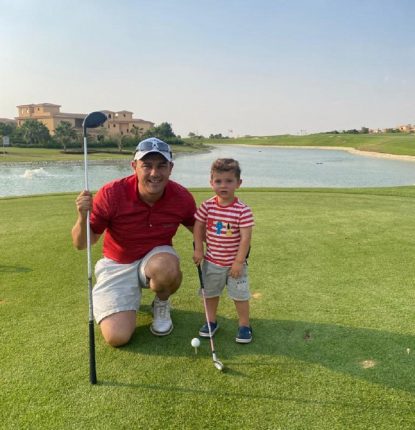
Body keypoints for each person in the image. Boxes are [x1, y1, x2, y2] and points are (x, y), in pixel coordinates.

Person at [72, 137, 196, 347]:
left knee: (166, 267)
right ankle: (127, 300)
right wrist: (81, 216)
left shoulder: (181, 196)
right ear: (134, 167)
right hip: (117, 264)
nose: (154, 173)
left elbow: (200, 230)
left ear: (171, 168)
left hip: (155, 260)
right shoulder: (111, 193)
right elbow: (81, 244)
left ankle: (161, 303)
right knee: (117, 337)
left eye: (161, 166)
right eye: (147, 166)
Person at [193, 158, 254, 343]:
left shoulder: (243, 210)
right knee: (210, 294)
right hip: (212, 262)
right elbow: (198, 226)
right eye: (218, 181)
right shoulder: (207, 205)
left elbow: (245, 238)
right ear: (211, 183)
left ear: (238, 183)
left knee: (240, 296)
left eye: (229, 181)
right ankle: (211, 322)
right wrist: (198, 248)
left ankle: (244, 325)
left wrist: (238, 262)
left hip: (236, 265)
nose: (223, 185)